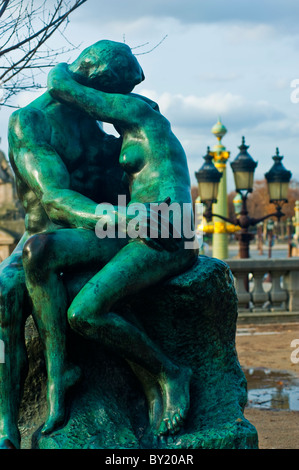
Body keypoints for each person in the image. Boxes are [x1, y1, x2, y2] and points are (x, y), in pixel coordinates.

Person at [22, 59, 199, 439]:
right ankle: (59, 374)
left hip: (167, 230)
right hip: (136, 225)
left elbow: (62, 88)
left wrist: (64, 68)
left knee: (84, 313)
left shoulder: (138, 113)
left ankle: (169, 372)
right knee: (40, 249)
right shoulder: (124, 131)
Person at [0, 40, 144, 449]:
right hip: (47, 232)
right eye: (117, 90)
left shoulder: (98, 124)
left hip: (98, 235)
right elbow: (54, 198)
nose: (119, 102)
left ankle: (60, 377)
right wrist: (121, 218)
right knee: (5, 293)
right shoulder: (30, 122)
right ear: (92, 73)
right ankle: (6, 423)